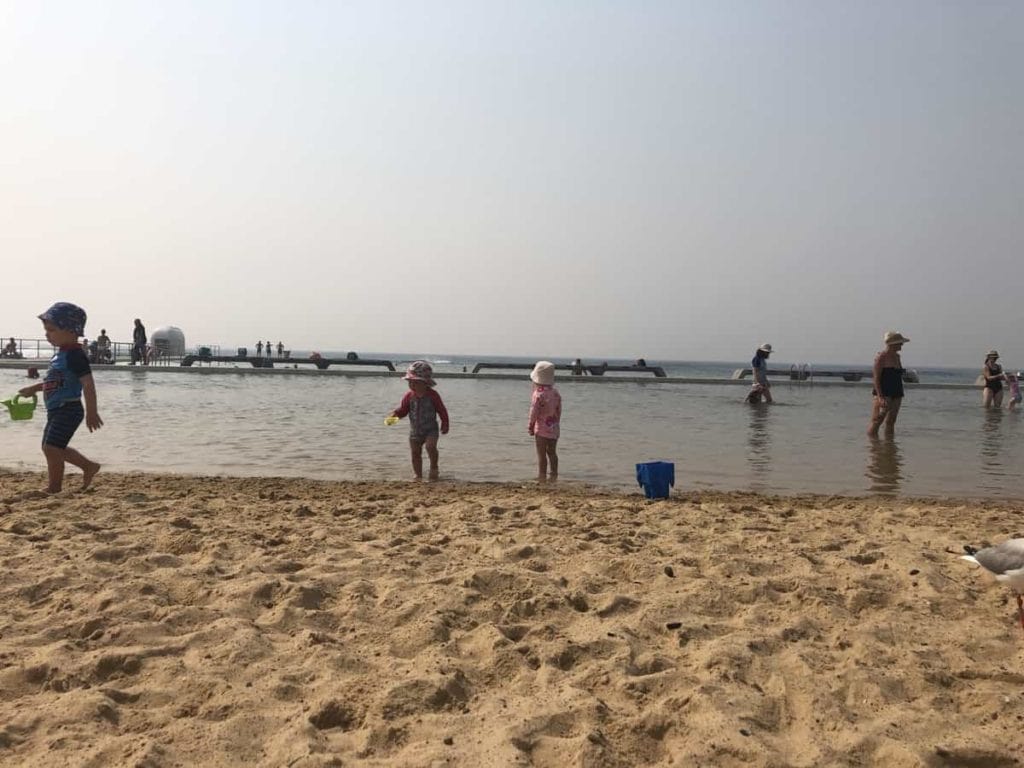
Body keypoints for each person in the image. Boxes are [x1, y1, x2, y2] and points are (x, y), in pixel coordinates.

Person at [18, 302, 103, 493]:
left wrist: (92, 412)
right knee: (53, 447)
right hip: (56, 409)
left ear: (72, 331)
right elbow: (55, 382)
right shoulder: (60, 356)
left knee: (51, 447)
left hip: (69, 409)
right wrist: (34, 388)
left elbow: (88, 384)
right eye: (46, 330)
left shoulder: (75, 356)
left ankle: (54, 487)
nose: (47, 334)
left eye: (52, 330)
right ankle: (89, 466)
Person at [388, 361, 449, 481]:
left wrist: (445, 424)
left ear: (425, 383)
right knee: (415, 453)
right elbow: (403, 410)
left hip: (430, 429)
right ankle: (418, 475)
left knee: (430, 447)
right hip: (415, 431)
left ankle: (434, 468)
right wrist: (394, 417)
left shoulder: (433, 395)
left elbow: (442, 410)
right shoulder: (409, 396)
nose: (411, 385)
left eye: (414, 382)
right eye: (409, 382)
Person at [868, 331, 909, 437]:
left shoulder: (897, 357)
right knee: (877, 420)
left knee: (891, 421)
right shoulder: (881, 357)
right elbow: (876, 377)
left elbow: (897, 373)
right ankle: (873, 446)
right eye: (900, 343)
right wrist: (880, 396)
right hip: (884, 391)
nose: (902, 345)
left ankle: (889, 447)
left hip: (897, 390)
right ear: (893, 344)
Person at [528, 361, 562, 483]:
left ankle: (542, 475)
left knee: (541, 453)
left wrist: (530, 426)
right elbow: (559, 410)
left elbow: (534, 412)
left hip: (541, 428)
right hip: (554, 427)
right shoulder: (555, 393)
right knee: (552, 452)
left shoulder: (538, 394)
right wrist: (556, 423)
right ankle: (554, 474)